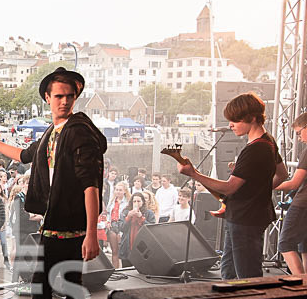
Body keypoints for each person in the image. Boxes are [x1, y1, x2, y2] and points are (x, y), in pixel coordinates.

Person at [0, 67, 105, 299]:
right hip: (63, 224)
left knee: (42, 290)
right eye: (58, 96)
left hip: (66, 228)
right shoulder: (54, 133)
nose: (64, 101)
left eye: (70, 96)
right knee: (72, 291)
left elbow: (90, 184)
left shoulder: (77, 131)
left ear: (75, 98)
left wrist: (92, 233)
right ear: (47, 98)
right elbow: (24, 155)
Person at [178, 92, 287, 280]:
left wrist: (193, 174)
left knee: (246, 275)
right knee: (229, 269)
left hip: (245, 218)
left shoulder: (254, 149)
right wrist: (258, 191)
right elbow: (282, 174)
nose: (230, 125)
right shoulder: (268, 141)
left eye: (235, 120)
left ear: (251, 118)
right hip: (248, 215)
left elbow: (229, 188)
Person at [273, 112, 307, 274]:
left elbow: (294, 183)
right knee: (304, 246)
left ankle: (301, 286)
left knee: (285, 244)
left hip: (302, 204)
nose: (299, 138)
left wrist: (267, 185)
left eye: (299, 133)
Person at [118, 192, 156, 267]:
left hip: (142, 247)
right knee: (126, 270)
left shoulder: (149, 213)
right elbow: (121, 228)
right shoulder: (125, 212)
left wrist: (141, 218)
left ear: (143, 202)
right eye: (134, 201)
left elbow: (152, 229)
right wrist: (128, 217)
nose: (136, 203)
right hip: (127, 246)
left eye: (138, 201)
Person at [105, 182, 129, 268]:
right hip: (112, 225)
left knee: (121, 251)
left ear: (124, 191)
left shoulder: (127, 202)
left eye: (120, 190)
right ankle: (115, 270)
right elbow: (108, 213)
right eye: (117, 190)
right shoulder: (112, 201)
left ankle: (124, 269)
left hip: (122, 226)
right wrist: (107, 222)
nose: (118, 192)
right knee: (114, 251)